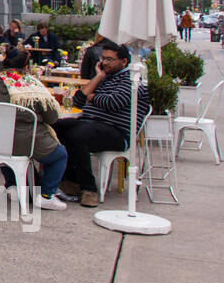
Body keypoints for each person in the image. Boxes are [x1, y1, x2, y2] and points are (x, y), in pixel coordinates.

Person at [52, 40, 150, 208]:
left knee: (78, 134)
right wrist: (98, 77)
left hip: (117, 132)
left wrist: (92, 97)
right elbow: (78, 100)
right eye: (103, 58)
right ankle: (68, 180)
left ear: (124, 61)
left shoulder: (133, 80)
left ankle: (89, 189)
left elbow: (113, 102)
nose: (104, 62)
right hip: (91, 125)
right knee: (55, 126)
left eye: (110, 59)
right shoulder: (105, 78)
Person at [0, 47, 70, 210]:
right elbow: (52, 118)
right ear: (26, 67)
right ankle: (47, 195)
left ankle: (13, 185)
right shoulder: (32, 87)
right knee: (60, 155)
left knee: (4, 151)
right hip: (26, 140)